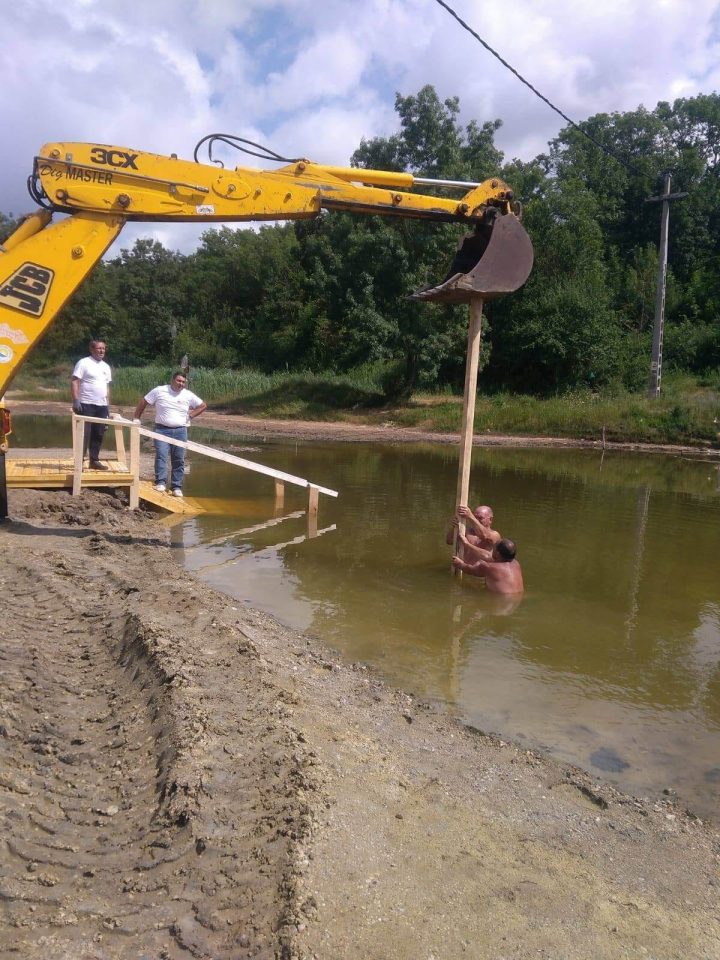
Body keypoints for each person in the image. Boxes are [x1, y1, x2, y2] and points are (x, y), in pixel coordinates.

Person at [133, 372, 206, 497]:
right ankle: (161, 482)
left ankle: (176, 486)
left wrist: (190, 415)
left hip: (180, 431)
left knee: (179, 459)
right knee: (161, 455)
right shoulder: (160, 390)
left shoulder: (188, 395)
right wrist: (136, 418)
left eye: (183, 382)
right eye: (178, 381)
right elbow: (144, 401)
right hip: (161, 429)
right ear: (172, 380)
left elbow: (203, 405)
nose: (181, 384)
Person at [71, 339, 112, 470]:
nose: (101, 351)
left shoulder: (106, 366)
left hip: (101, 405)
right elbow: (75, 381)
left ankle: (94, 460)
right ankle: (79, 462)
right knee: (84, 434)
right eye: (99, 348)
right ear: (92, 349)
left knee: (98, 433)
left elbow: (107, 387)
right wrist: (76, 400)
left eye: (103, 349)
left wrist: (108, 407)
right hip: (86, 404)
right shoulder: (84, 363)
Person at [452, 538, 524, 595]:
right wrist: (466, 543)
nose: (492, 550)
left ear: (498, 554)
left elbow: (469, 570)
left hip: (500, 601)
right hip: (517, 599)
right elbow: (487, 556)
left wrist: (460, 564)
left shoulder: (488, 567)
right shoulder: (516, 563)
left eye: (494, 548)